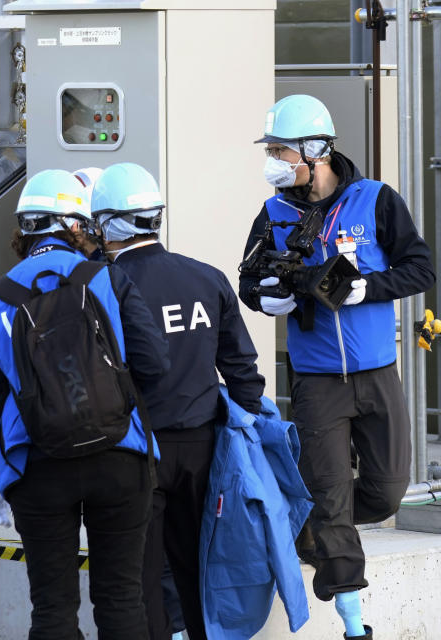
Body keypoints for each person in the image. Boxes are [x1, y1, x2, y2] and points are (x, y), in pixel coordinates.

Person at [239, 94, 435, 640]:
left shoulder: (376, 201)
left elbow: (420, 269)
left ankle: (306, 522)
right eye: (272, 148)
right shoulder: (274, 211)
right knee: (330, 493)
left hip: (377, 373)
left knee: (386, 493)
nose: (273, 159)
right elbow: (248, 280)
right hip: (316, 379)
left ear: (316, 151)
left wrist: (363, 289)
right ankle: (353, 624)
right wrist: (267, 299)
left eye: (281, 149)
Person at [0, 168, 170, 640]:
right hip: (120, 455)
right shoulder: (108, 278)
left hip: (37, 464)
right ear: (77, 226)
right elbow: (155, 363)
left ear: (25, 228)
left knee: (53, 608)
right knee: (122, 598)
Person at [91, 162, 265, 640]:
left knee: (143, 574)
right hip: (201, 447)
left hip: (137, 448)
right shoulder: (206, 278)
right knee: (196, 565)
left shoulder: (102, 288)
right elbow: (241, 370)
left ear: (108, 224)